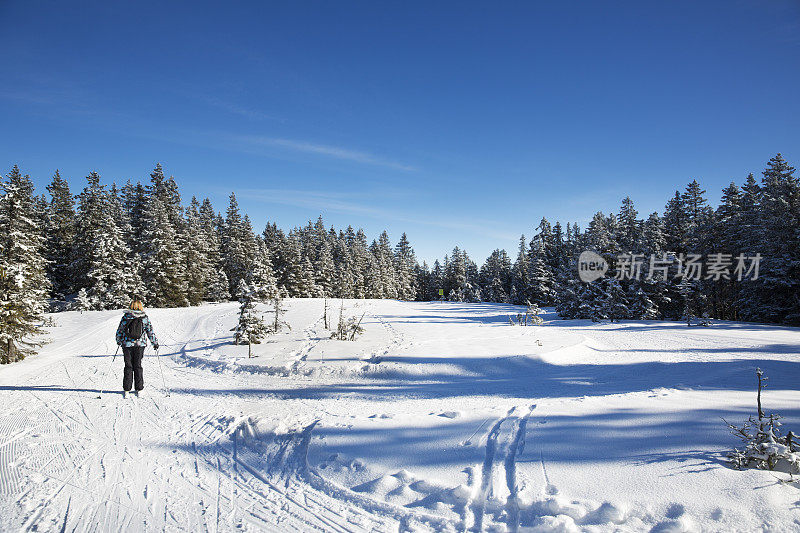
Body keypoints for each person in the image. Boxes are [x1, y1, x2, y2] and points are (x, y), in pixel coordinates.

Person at [115, 300, 159, 397]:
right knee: (138, 365)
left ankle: (127, 390)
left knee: (128, 366)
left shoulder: (126, 317)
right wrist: (154, 343)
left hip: (127, 345)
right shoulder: (144, 318)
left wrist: (119, 340)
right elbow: (150, 331)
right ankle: (139, 389)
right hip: (140, 345)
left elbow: (120, 330)